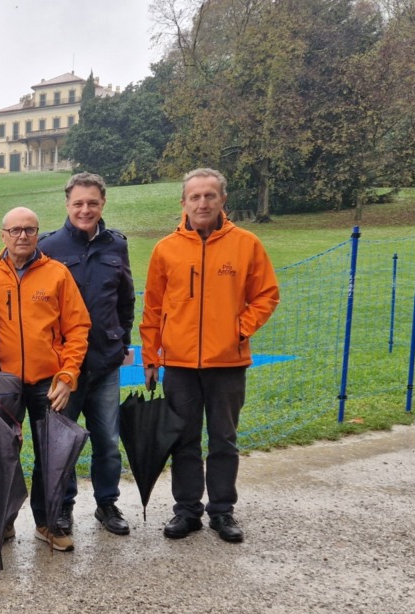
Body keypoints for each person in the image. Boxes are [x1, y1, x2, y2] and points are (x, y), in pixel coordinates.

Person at [141, 168, 280, 543]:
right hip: (180, 364)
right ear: (183, 203)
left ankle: (222, 511)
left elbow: (267, 294)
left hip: (227, 364)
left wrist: (239, 329)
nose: (202, 203)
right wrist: (151, 357)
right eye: (195, 197)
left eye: (210, 196)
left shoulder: (246, 244)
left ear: (223, 200)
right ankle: (186, 511)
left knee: (224, 439)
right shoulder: (166, 249)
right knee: (184, 440)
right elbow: (153, 307)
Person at [0, 207, 91, 552]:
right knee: (3, 453)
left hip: (50, 380)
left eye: (29, 230)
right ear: (3, 235)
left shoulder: (57, 274)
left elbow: (78, 328)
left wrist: (68, 374)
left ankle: (49, 521)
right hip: (3, 381)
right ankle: (3, 521)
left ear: (38, 234)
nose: (22, 236)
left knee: (54, 452)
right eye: (15, 230)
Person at [37, 172, 134, 539]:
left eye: (92, 202)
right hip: (65, 367)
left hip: (106, 362)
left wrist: (121, 340)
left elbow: (125, 299)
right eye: (78, 202)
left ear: (103, 203)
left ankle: (107, 503)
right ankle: (62, 507)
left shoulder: (116, 246)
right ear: (67, 204)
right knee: (64, 442)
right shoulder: (49, 246)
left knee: (108, 440)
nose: (85, 209)